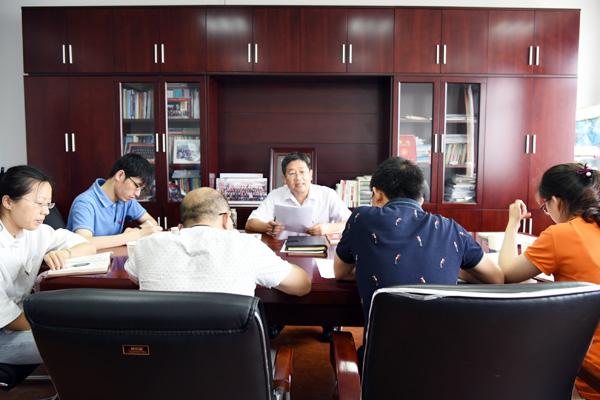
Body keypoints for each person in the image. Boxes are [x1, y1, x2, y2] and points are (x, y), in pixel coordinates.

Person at [334, 157, 504, 365]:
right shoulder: (451, 229)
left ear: (377, 194)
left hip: (381, 367)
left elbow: (341, 272)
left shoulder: (361, 218)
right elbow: (496, 277)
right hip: (445, 367)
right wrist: (454, 267)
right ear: (421, 200)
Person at [498, 162, 600, 400]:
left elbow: (506, 273)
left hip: (590, 372)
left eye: (545, 207)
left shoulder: (563, 233)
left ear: (557, 201)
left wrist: (513, 224)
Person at [124, 187, 311, 298]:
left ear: (181, 225)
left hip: (164, 353)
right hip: (230, 354)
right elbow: (301, 286)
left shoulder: (147, 245)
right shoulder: (246, 245)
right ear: (226, 219)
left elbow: (135, 277)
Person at [0, 165, 96, 365]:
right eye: (39, 203)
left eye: (48, 204)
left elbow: (87, 246)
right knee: (82, 343)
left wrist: (64, 253)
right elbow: (10, 319)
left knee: (86, 330)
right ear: (8, 202)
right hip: (6, 332)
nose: (45, 212)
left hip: (21, 319)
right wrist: (54, 327)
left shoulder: (36, 232)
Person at [67, 153, 162, 250]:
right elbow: (84, 243)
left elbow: (152, 222)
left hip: (113, 256)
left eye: (141, 189)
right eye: (137, 186)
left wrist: (137, 230)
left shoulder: (125, 199)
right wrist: (133, 236)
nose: (138, 194)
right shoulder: (85, 202)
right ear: (120, 175)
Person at [245, 152, 351, 236]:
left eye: (302, 172)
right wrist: (268, 227)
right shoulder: (275, 195)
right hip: (283, 249)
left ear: (310, 174)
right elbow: (250, 223)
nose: (298, 178)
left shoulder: (327, 194)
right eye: (292, 173)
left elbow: (350, 222)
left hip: (321, 249)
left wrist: (328, 228)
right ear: (284, 179)